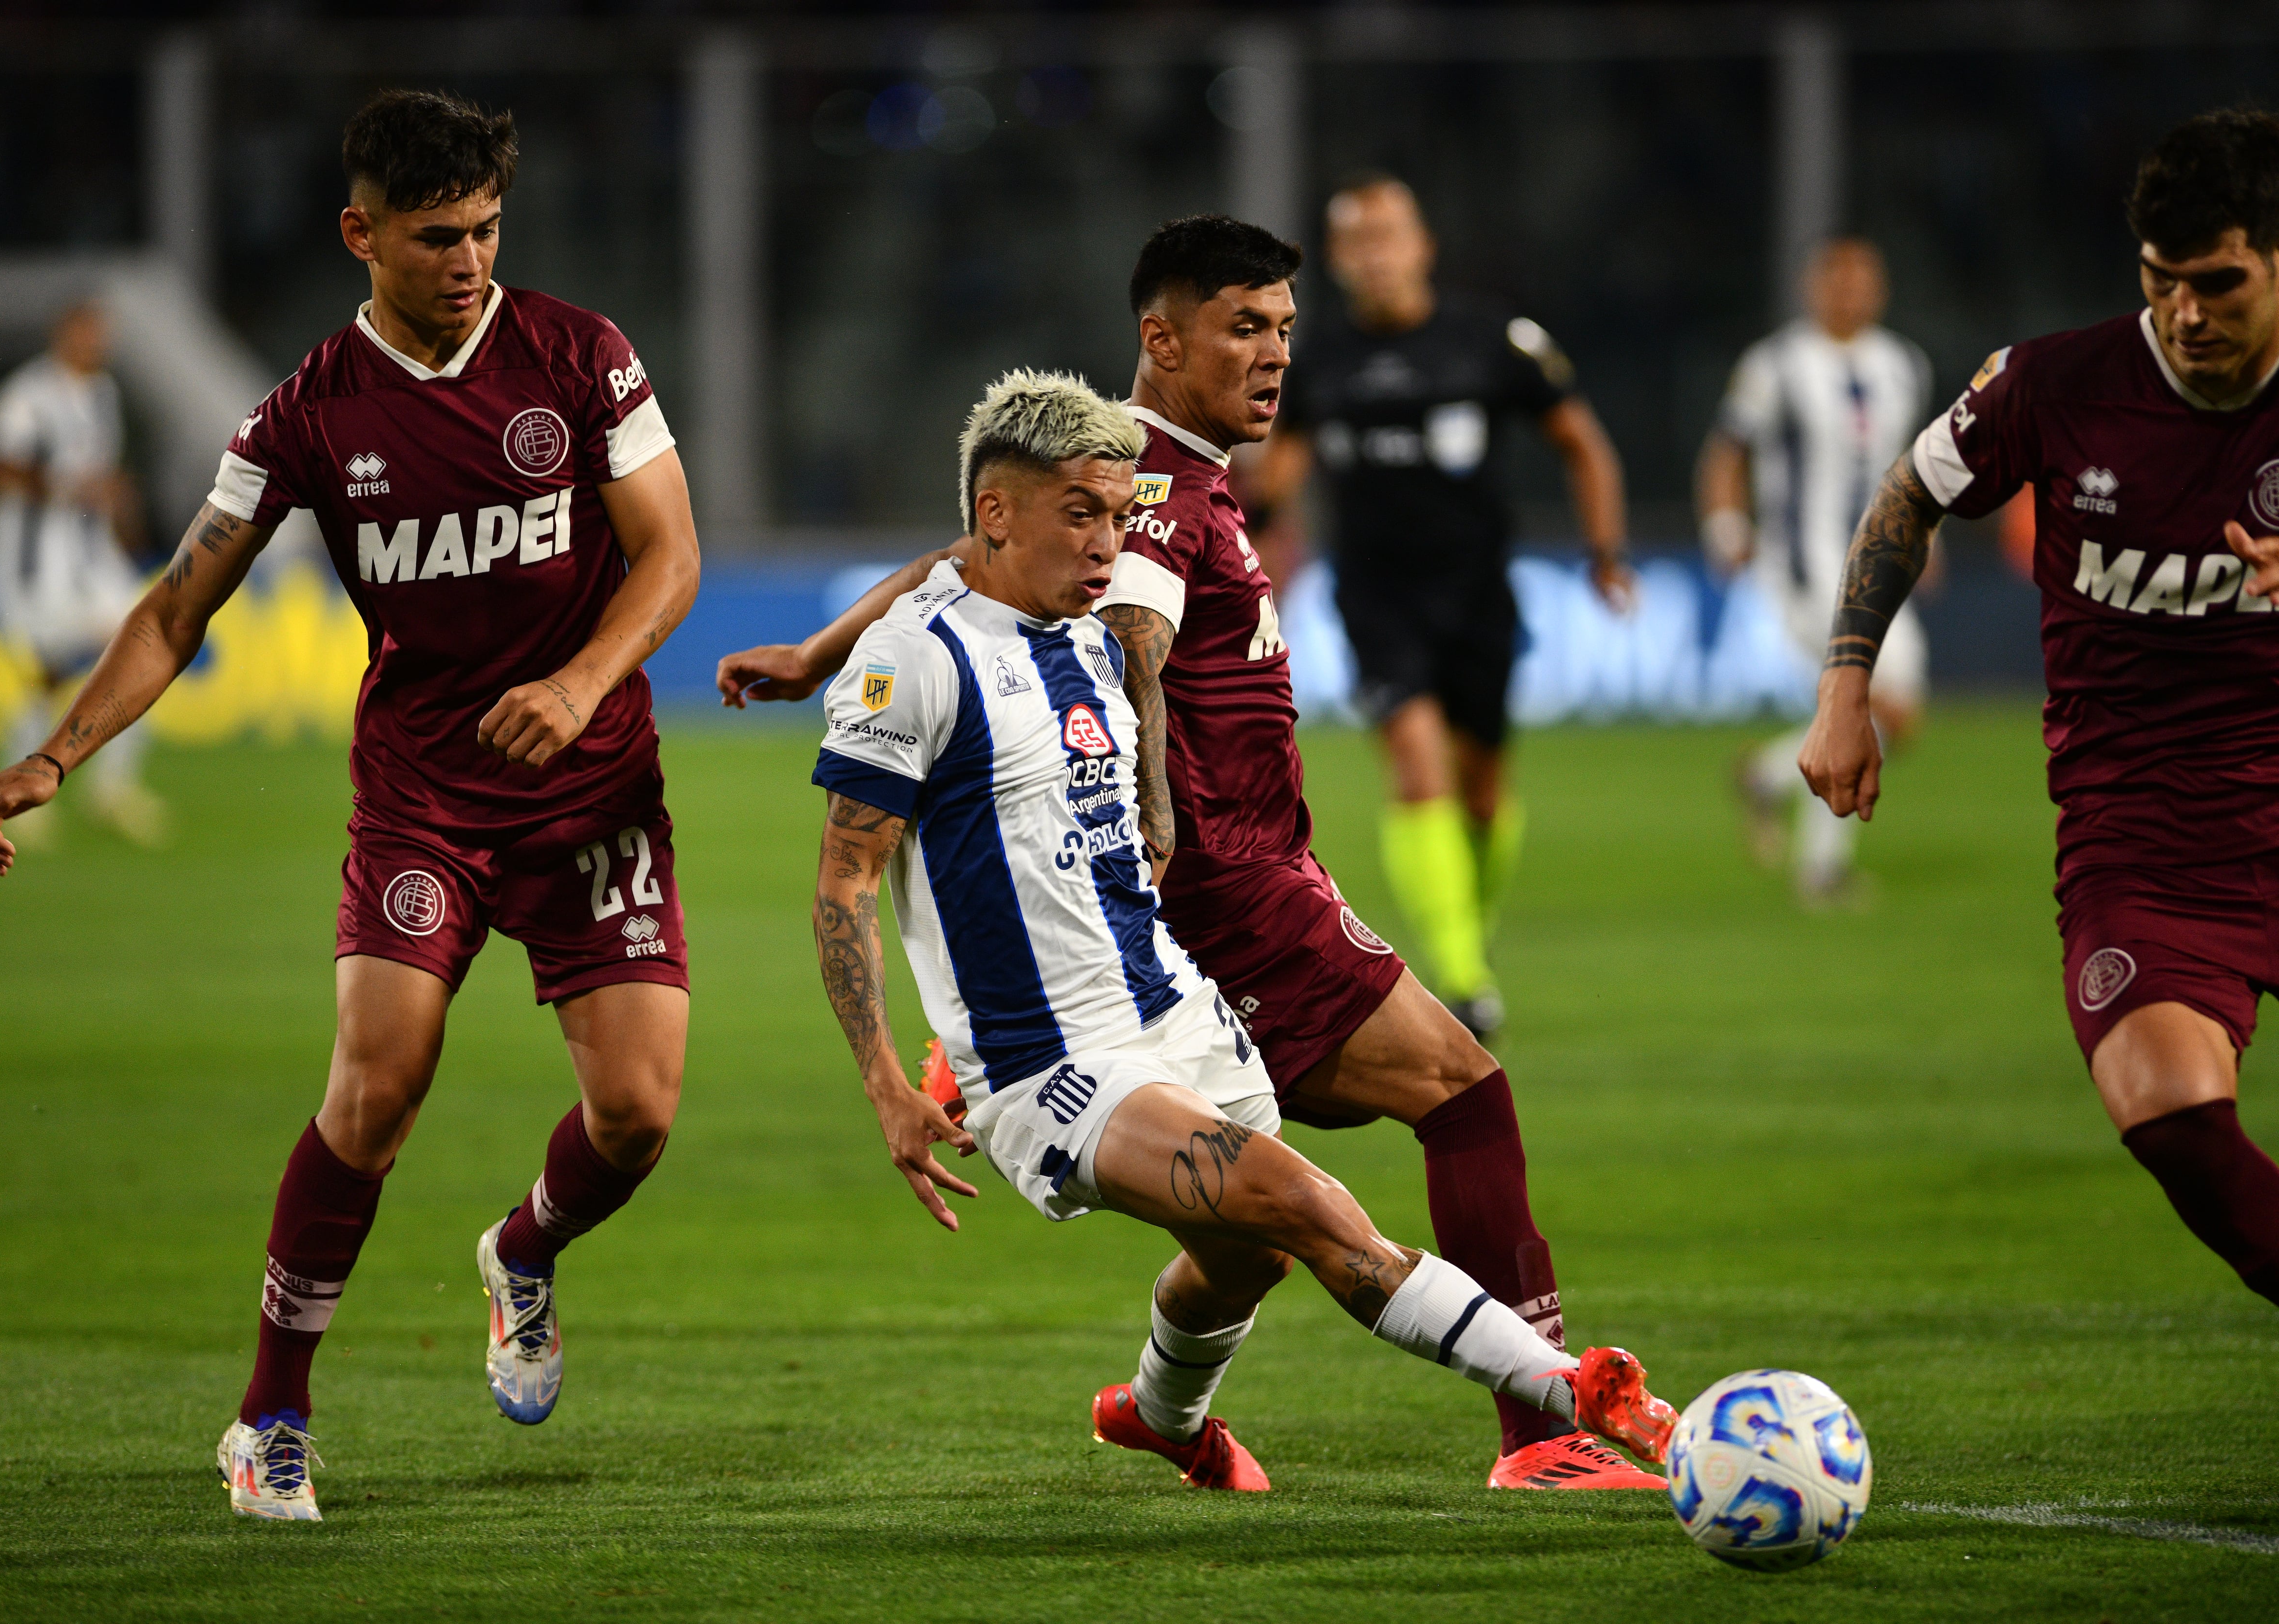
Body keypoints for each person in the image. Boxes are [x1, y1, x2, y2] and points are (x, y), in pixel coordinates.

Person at [720, 218, 1661, 1492]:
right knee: (1460, 1093)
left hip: (1249, 871)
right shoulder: (1160, 488)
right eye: (1242, 328)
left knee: (1250, 1237)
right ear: (1161, 339)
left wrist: (819, 648)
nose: (1275, 354)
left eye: (1284, 327)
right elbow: (1129, 644)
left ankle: (1165, 1410)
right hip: (1228, 887)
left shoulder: (1125, 470)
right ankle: (1544, 1428)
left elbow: (974, 554)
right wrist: (1145, 837)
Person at [0, 90, 703, 1520]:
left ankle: (523, 1251)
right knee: (376, 1084)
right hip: (427, 799)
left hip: (593, 792)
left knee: (634, 1118)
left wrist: (581, 683)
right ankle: (270, 1418)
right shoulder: (305, 413)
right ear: (361, 232)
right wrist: (61, 750)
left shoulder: (581, 355)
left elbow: (669, 553)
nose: (471, 261)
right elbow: (178, 607)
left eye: (488, 230)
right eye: (439, 238)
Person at [1800, 108, 2279, 1309]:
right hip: (2146, 848)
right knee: (2169, 1119)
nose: (2185, 314)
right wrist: (1845, 685)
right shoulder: (2055, 385)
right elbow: (1908, 495)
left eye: (2218, 283)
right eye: (2162, 284)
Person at [1255, 174, 1633, 1033]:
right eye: (1356, 241)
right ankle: (1464, 977)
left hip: (1477, 595)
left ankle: (1469, 930)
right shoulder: (1314, 364)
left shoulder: (1492, 340)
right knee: (1417, 763)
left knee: (1485, 794)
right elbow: (1277, 487)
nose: (1375, 255)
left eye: (1389, 235)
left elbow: (1583, 444)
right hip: (1377, 596)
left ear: (1423, 245)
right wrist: (1257, 575)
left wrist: (1606, 552)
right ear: (1339, 261)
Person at [1700, 239, 1932, 903]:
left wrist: (1928, 539)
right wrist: (1725, 524)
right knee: (1862, 701)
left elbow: (1914, 466)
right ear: (1813, 287)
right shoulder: (1776, 364)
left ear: (1880, 290)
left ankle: (1769, 778)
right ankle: (1823, 871)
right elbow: (1727, 452)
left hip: (1884, 564)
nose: (1850, 293)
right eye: (1837, 280)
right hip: (1805, 568)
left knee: (1903, 718)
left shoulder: (1901, 365)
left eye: (1863, 281)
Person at [0, 301, 167, 845]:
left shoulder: (102, 394)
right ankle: (32, 791)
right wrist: (66, 488)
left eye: (101, 335)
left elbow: (101, 478)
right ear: (63, 334)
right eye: (87, 333)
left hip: (91, 560)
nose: (97, 344)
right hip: (37, 566)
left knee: (139, 649)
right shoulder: (26, 396)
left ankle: (108, 788)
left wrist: (121, 518)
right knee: (63, 668)